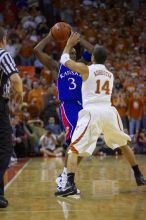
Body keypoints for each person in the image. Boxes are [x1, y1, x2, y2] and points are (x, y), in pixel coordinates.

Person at [55, 32, 146, 197]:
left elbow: (64, 61)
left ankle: (69, 183)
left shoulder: (86, 70)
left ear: (93, 58)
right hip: (109, 111)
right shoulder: (110, 74)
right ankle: (138, 174)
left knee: (73, 149)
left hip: (92, 112)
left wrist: (68, 45)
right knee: (123, 144)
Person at [34, 30, 93, 192]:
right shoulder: (56, 66)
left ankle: (65, 175)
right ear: (65, 53)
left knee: (84, 145)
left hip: (83, 107)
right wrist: (50, 36)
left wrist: (79, 39)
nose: (73, 53)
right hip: (68, 106)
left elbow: (96, 52)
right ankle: (67, 181)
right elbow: (37, 50)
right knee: (74, 142)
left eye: (75, 51)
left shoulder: (82, 64)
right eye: (70, 51)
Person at [0, 27, 23, 207]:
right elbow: (15, 80)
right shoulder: (3, 54)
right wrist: (20, 99)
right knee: (6, 149)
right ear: (4, 39)